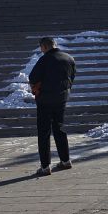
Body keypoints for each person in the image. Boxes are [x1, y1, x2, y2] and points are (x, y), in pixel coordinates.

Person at [28, 37, 76, 177]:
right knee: (59, 129)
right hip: (61, 99)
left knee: (44, 132)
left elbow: (32, 77)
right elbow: (72, 77)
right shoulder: (69, 58)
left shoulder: (44, 59)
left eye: (41, 48)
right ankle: (65, 160)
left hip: (45, 100)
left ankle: (45, 166)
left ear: (44, 46)